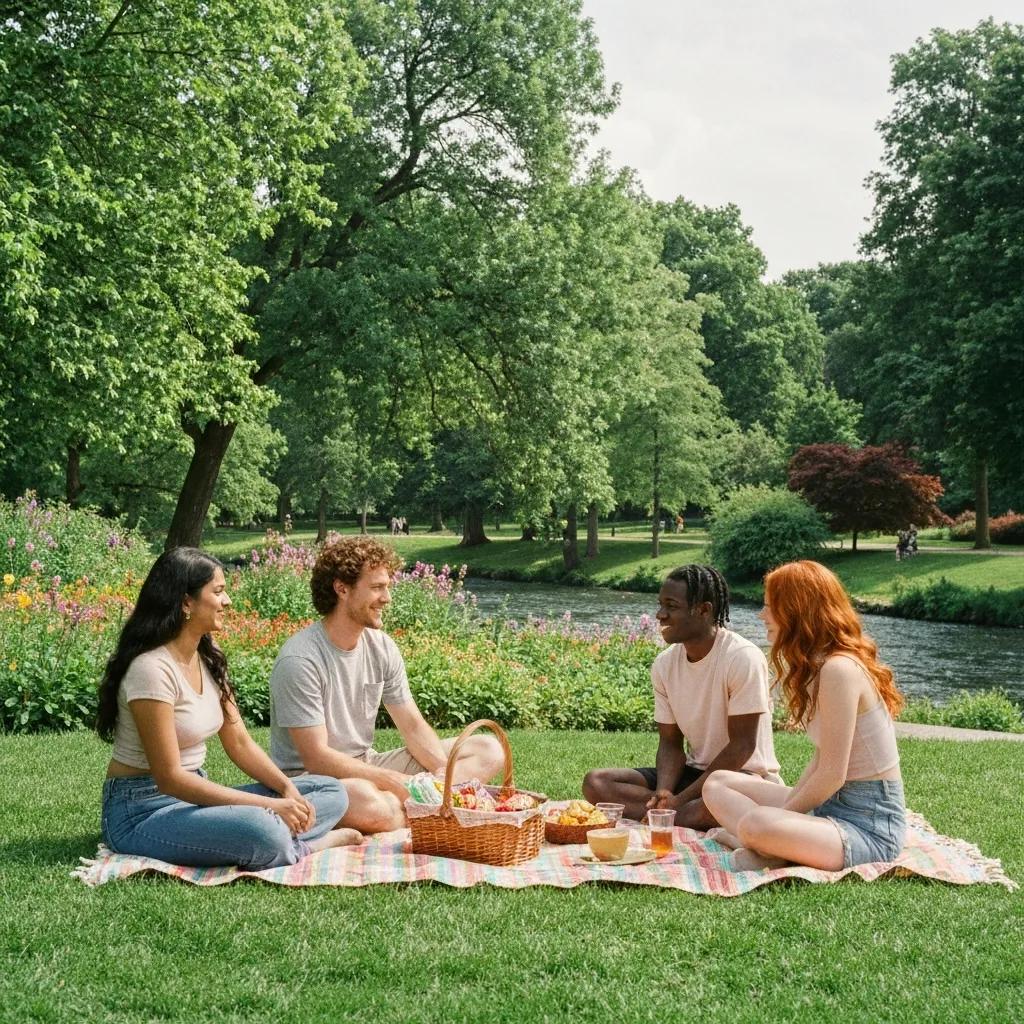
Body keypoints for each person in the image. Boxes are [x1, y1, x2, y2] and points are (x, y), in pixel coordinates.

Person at [97, 548, 360, 869]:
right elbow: (170, 779)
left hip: (193, 797)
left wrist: (286, 788)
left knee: (329, 790)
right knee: (264, 831)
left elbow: (239, 742)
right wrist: (269, 806)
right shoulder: (151, 670)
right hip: (143, 810)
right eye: (218, 592)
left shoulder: (209, 657)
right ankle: (306, 845)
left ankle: (277, 834)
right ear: (185, 603)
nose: (228, 601)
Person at [269, 536, 504, 833]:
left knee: (488, 749)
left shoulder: (381, 646)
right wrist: (394, 782)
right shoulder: (300, 659)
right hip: (311, 782)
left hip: (366, 765)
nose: (387, 598)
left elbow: (413, 728)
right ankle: (419, 809)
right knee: (374, 805)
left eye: (387, 587)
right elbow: (317, 758)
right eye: (377, 587)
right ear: (342, 588)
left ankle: (424, 806)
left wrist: (442, 776)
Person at [702, 560, 906, 872]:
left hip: (868, 829)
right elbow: (822, 759)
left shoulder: (840, 670)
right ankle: (768, 844)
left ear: (797, 611)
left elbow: (832, 775)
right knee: (717, 783)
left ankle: (762, 840)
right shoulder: (820, 667)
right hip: (828, 811)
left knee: (757, 822)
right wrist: (789, 811)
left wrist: (783, 816)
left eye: (770, 607)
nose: (762, 615)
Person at [582, 565, 782, 829]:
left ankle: (677, 815)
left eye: (671, 606)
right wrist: (664, 793)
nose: (660, 614)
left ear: (703, 610)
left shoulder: (742, 657)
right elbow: (670, 743)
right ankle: (674, 815)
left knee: (710, 805)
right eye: (661, 605)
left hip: (743, 778)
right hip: (693, 774)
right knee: (596, 783)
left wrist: (681, 799)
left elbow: (742, 746)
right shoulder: (664, 665)